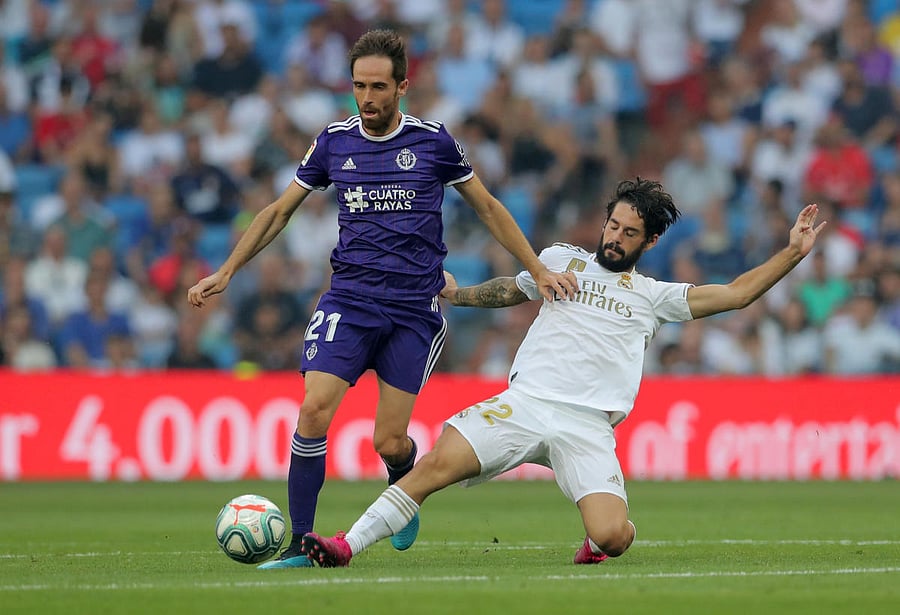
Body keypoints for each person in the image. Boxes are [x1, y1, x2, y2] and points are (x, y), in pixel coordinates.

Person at [187, 29, 576, 569]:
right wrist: (228, 269)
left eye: (377, 87)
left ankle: (401, 483)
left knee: (388, 441)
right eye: (357, 86)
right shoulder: (334, 142)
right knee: (314, 410)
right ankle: (302, 542)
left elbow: (486, 206)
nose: (366, 98)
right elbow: (280, 210)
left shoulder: (433, 141)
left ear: (402, 87)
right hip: (348, 302)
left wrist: (536, 267)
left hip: (415, 311)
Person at [298, 177, 825, 568]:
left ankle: (599, 543)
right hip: (523, 404)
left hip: (588, 426)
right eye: (613, 225)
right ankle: (347, 545)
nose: (615, 238)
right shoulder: (560, 261)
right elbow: (510, 289)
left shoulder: (653, 296)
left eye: (629, 233)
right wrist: (456, 294)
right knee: (435, 464)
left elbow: (736, 294)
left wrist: (792, 253)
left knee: (614, 536)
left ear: (650, 243)